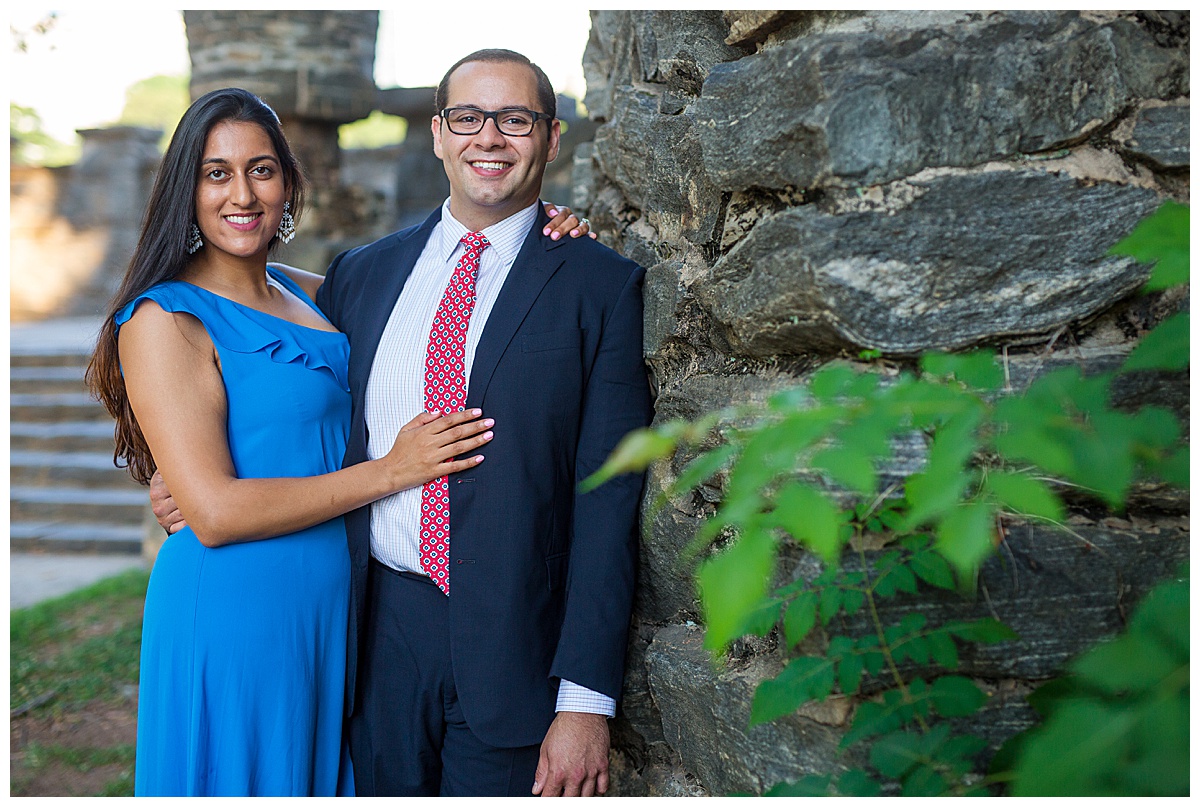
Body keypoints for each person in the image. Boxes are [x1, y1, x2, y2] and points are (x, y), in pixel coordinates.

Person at [156, 49, 652, 796]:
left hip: (517, 648)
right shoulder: (362, 274)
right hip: (366, 634)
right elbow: (266, 372)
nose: (490, 137)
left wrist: (583, 701)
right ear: (437, 135)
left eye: (515, 119)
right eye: (468, 118)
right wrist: (183, 472)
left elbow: (608, 502)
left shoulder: (600, 286)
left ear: (551, 139)